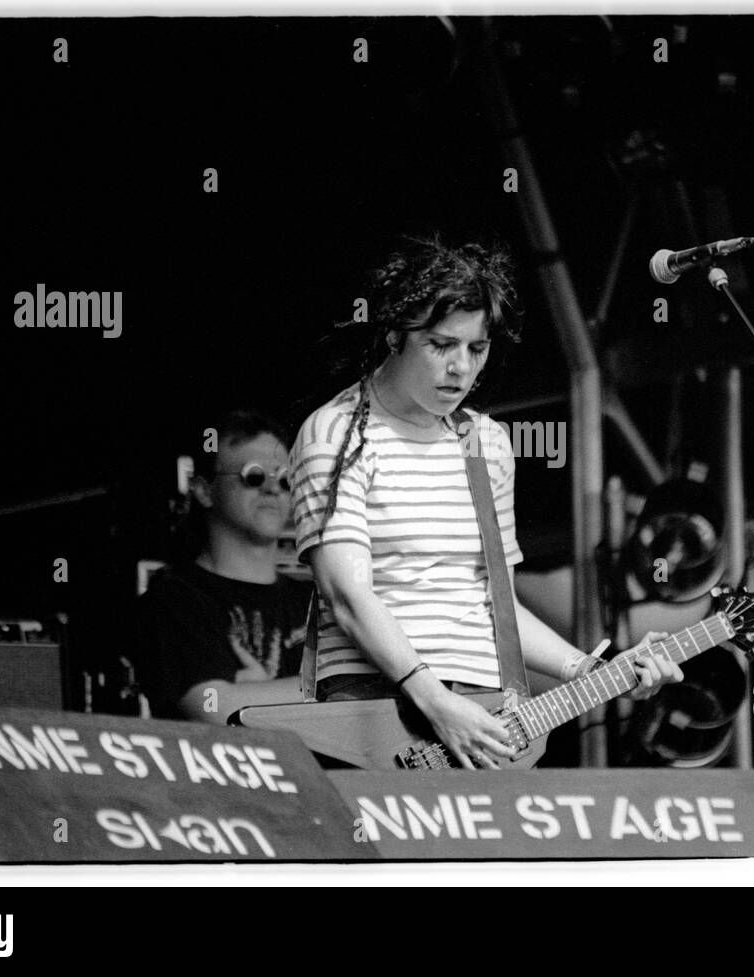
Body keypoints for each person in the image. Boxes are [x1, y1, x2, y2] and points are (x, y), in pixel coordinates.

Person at [290, 236, 683, 770]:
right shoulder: (335, 432)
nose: (460, 368)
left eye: (477, 349)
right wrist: (436, 701)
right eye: (441, 345)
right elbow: (347, 595)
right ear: (393, 335)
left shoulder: (485, 442)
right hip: (374, 704)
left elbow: (495, 604)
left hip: (488, 706)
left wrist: (589, 670)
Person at [137, 409, 310, 723]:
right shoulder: (175, 600)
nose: (273, 488)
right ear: (204, 490)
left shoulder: (314, 601)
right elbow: (214, 708)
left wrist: (260, 697)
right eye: (254, 476)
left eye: (285, 479)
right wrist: (324, 691)